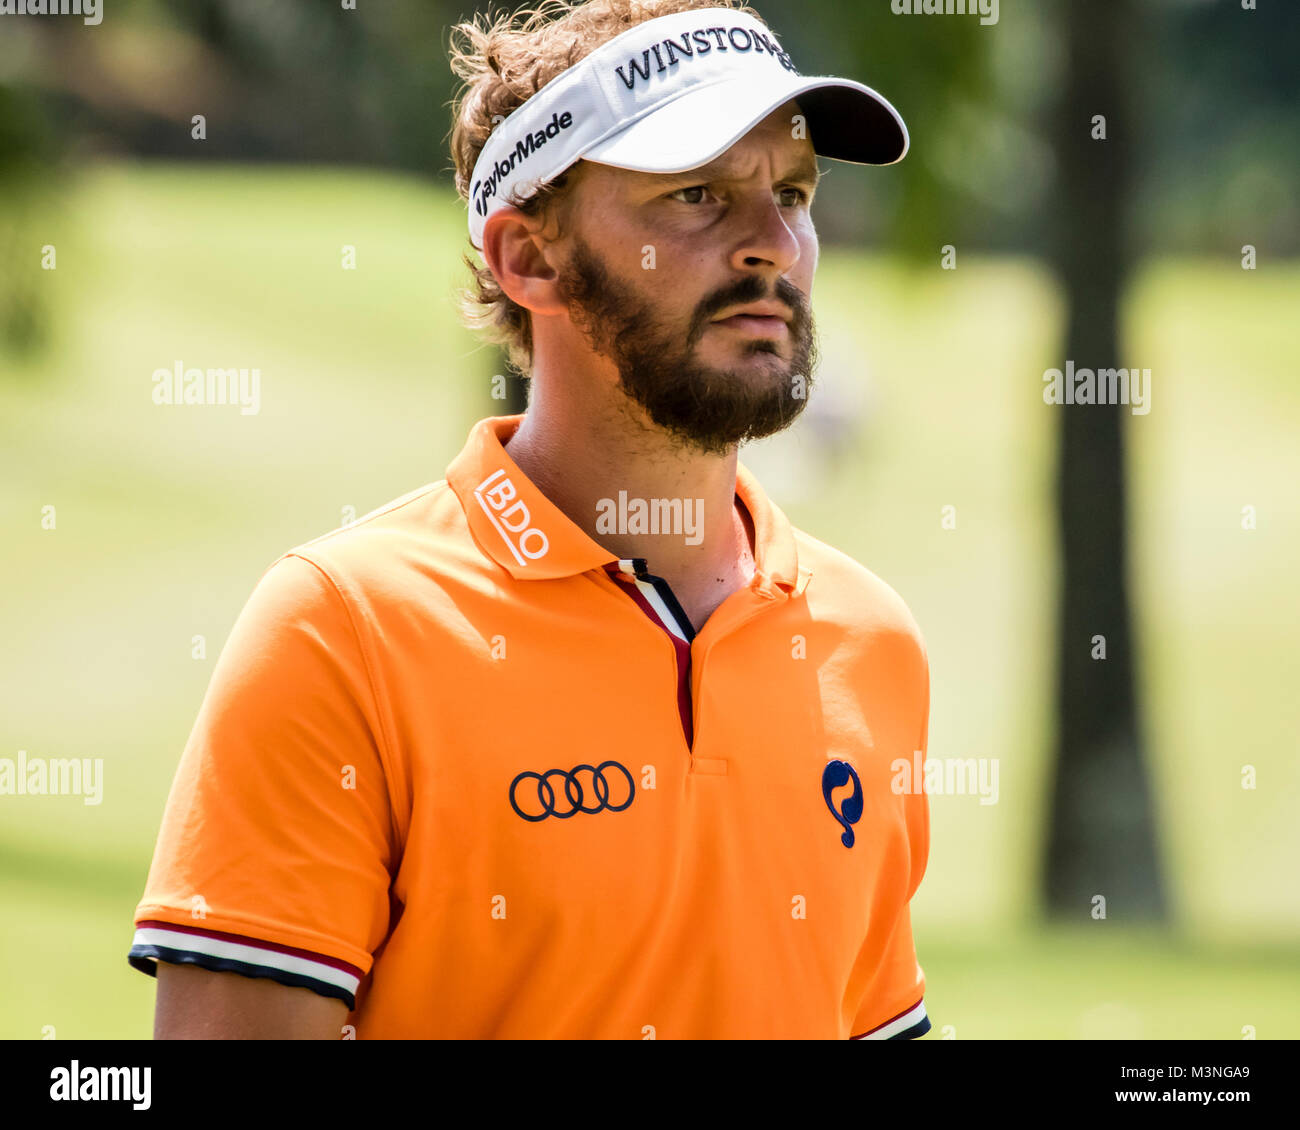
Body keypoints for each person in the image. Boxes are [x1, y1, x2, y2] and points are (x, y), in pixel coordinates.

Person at [129, 0, 933, 1040]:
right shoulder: (342, 630)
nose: (772, 246)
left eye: (791, 193)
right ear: (529, 260)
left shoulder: (872, 644)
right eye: (697, 194)